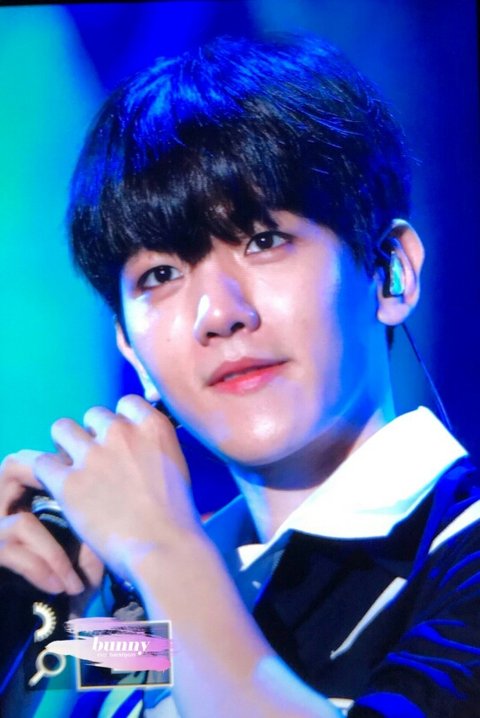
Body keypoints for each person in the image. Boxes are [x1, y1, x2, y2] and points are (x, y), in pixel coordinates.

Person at [1, 33, 480, 717]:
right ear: (129, 345)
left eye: (264, 240)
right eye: (160, 275)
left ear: (390, 272)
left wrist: (160, 547)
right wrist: (30, 621)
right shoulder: (161, 618)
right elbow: (75, 668)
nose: (218, 315)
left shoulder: (458, 551)